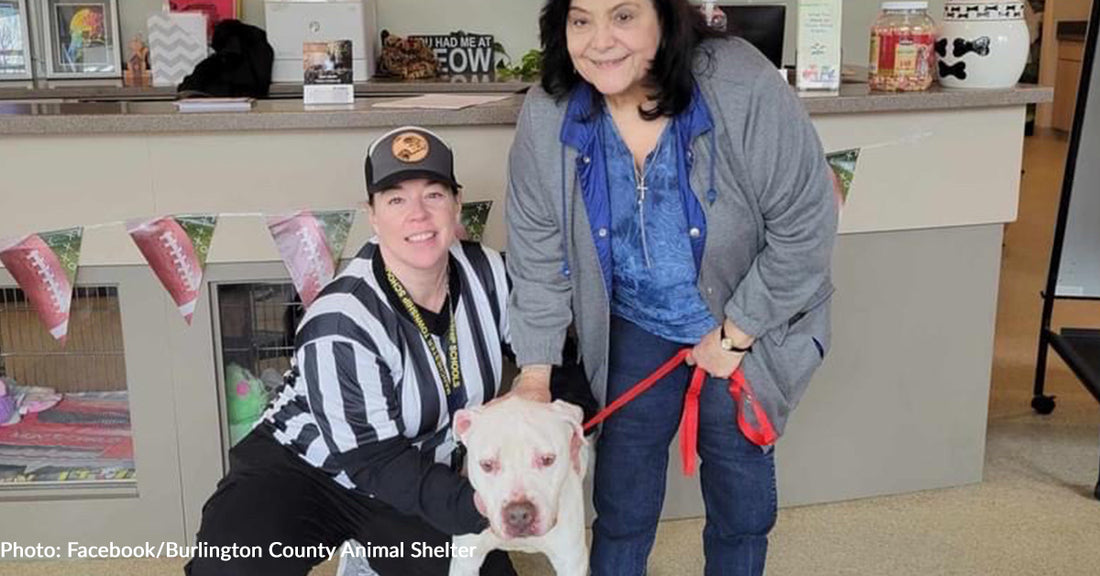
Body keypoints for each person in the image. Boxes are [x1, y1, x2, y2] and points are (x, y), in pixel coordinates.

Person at [505, 1, 839, 575]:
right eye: (581, 20)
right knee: (622, 497)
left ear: (666, 18)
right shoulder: (547, 113)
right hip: (637, 320)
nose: (600, 41)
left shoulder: (739, 82)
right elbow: (539, 256)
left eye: (625, 16)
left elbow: (806, 227)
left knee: (739, 495)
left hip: (747, 320)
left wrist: (734, 336)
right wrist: (534, 379)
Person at [187, 126, 516, 576]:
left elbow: (549, 355)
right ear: (373, 215)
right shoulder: (341, 319)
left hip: (416, 473)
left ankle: (371, 555)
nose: (417, 214)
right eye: (396, 199)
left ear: (457, 204)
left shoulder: (489, 272)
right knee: (230, 568)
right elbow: (374, 461)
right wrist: (478, 505)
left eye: (433, 195)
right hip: (306, 470)